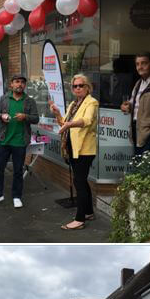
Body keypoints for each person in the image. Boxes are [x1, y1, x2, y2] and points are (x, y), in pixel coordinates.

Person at [49, 74, 98, 231]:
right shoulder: (73, 104)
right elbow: (64, 123)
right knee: (82, 181)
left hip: (85, 150)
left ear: (87, 87)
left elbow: (87, 120)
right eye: (75, 86)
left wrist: (69, 124)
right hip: (73, 148)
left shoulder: (92, 102)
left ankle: (80, 219)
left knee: (79, 182)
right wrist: (57, 113)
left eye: (81, 85)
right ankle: (89, 212)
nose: (77, 88)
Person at [0, 74, 39, 209]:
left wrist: (25, 116)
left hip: (20, 141)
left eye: (22, 82)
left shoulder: (29, 101)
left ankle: (16, 196)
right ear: (12, 85)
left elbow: (36, 118)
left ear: (25, 86)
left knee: (18, 171)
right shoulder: (4, 99)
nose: (20, 84)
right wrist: (2, 116)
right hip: (4, 140)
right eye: (17, 82)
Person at [121, 52, 150, 156]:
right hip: (137, 130)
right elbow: (132, 103)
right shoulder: (138, 83)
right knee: (140, 165)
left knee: (149, 167)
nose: (140, 67)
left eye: (144, 63)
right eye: (137, 64)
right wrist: (127, 106)